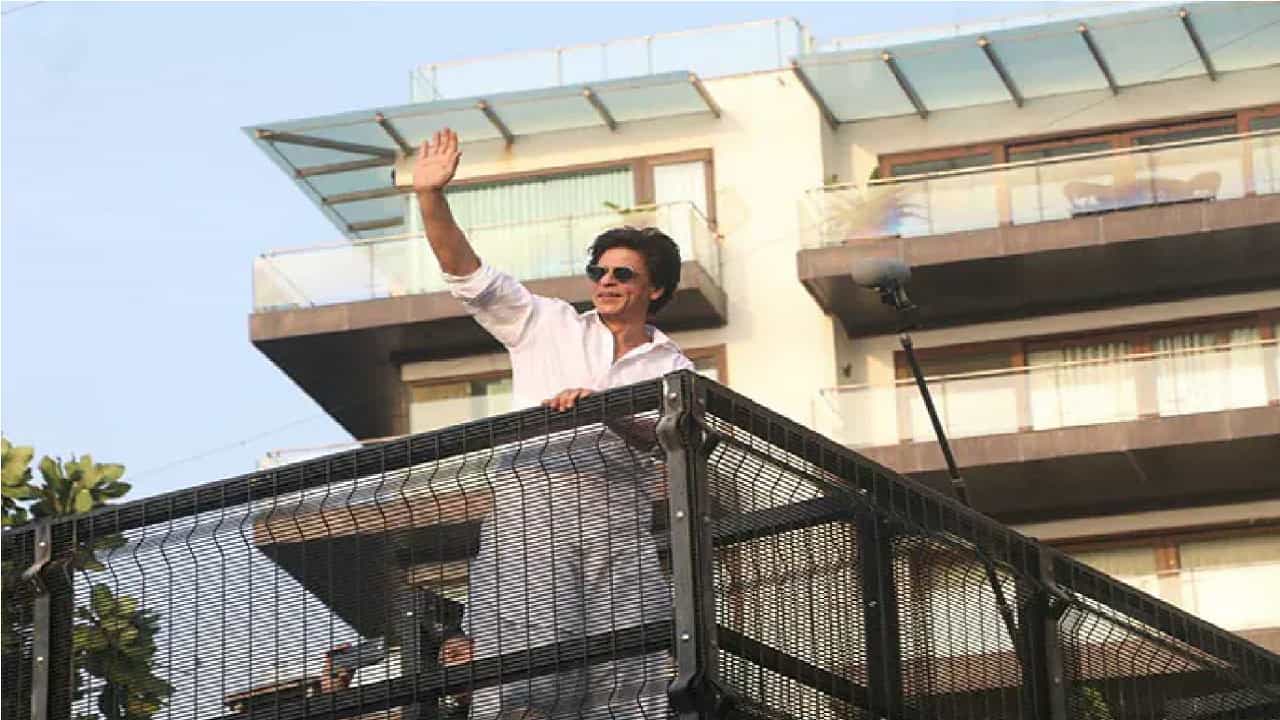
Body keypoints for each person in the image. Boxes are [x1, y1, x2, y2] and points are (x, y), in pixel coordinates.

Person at [413, 128, 693, 720]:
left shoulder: (675, 367)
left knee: (629, 687)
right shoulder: (546, 323)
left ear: (657, 289)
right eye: (599, 271)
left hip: (620, 529)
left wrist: (609, 412)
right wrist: (430, 196)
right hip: (529, 522)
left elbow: (677, 443)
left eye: (623, 274)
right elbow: (466, 274)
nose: (606, 282)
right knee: (520, 683)